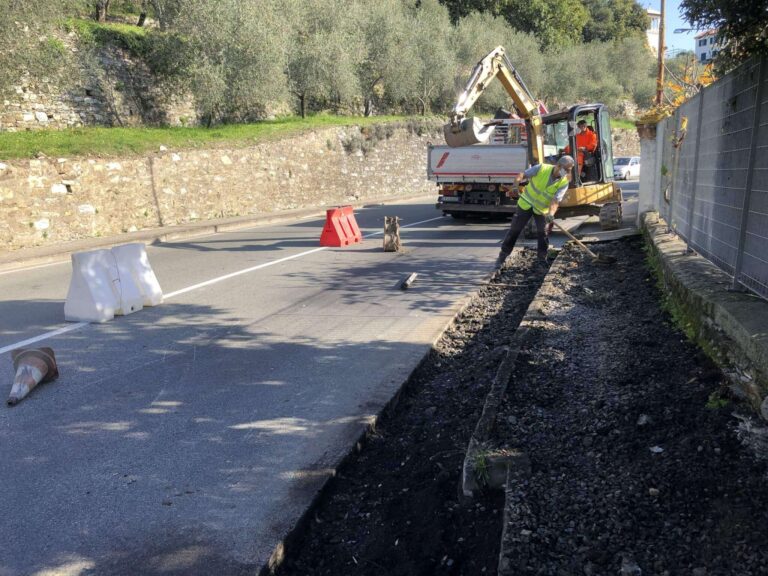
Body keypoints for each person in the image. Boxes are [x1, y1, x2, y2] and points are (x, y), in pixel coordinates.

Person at [495, 155, 575, 268]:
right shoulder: (541, 168)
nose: (566, 173)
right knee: (515, 230)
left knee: (543, 234)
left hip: (542, 210)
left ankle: (541, 259)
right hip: (525, 204)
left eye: (569, 171)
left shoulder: (564, 181)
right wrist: (515, 186)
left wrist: (551, 214)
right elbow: (522, 175)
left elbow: (556, 200)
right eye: (565, 170)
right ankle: (503, 255)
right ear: (558, 165)